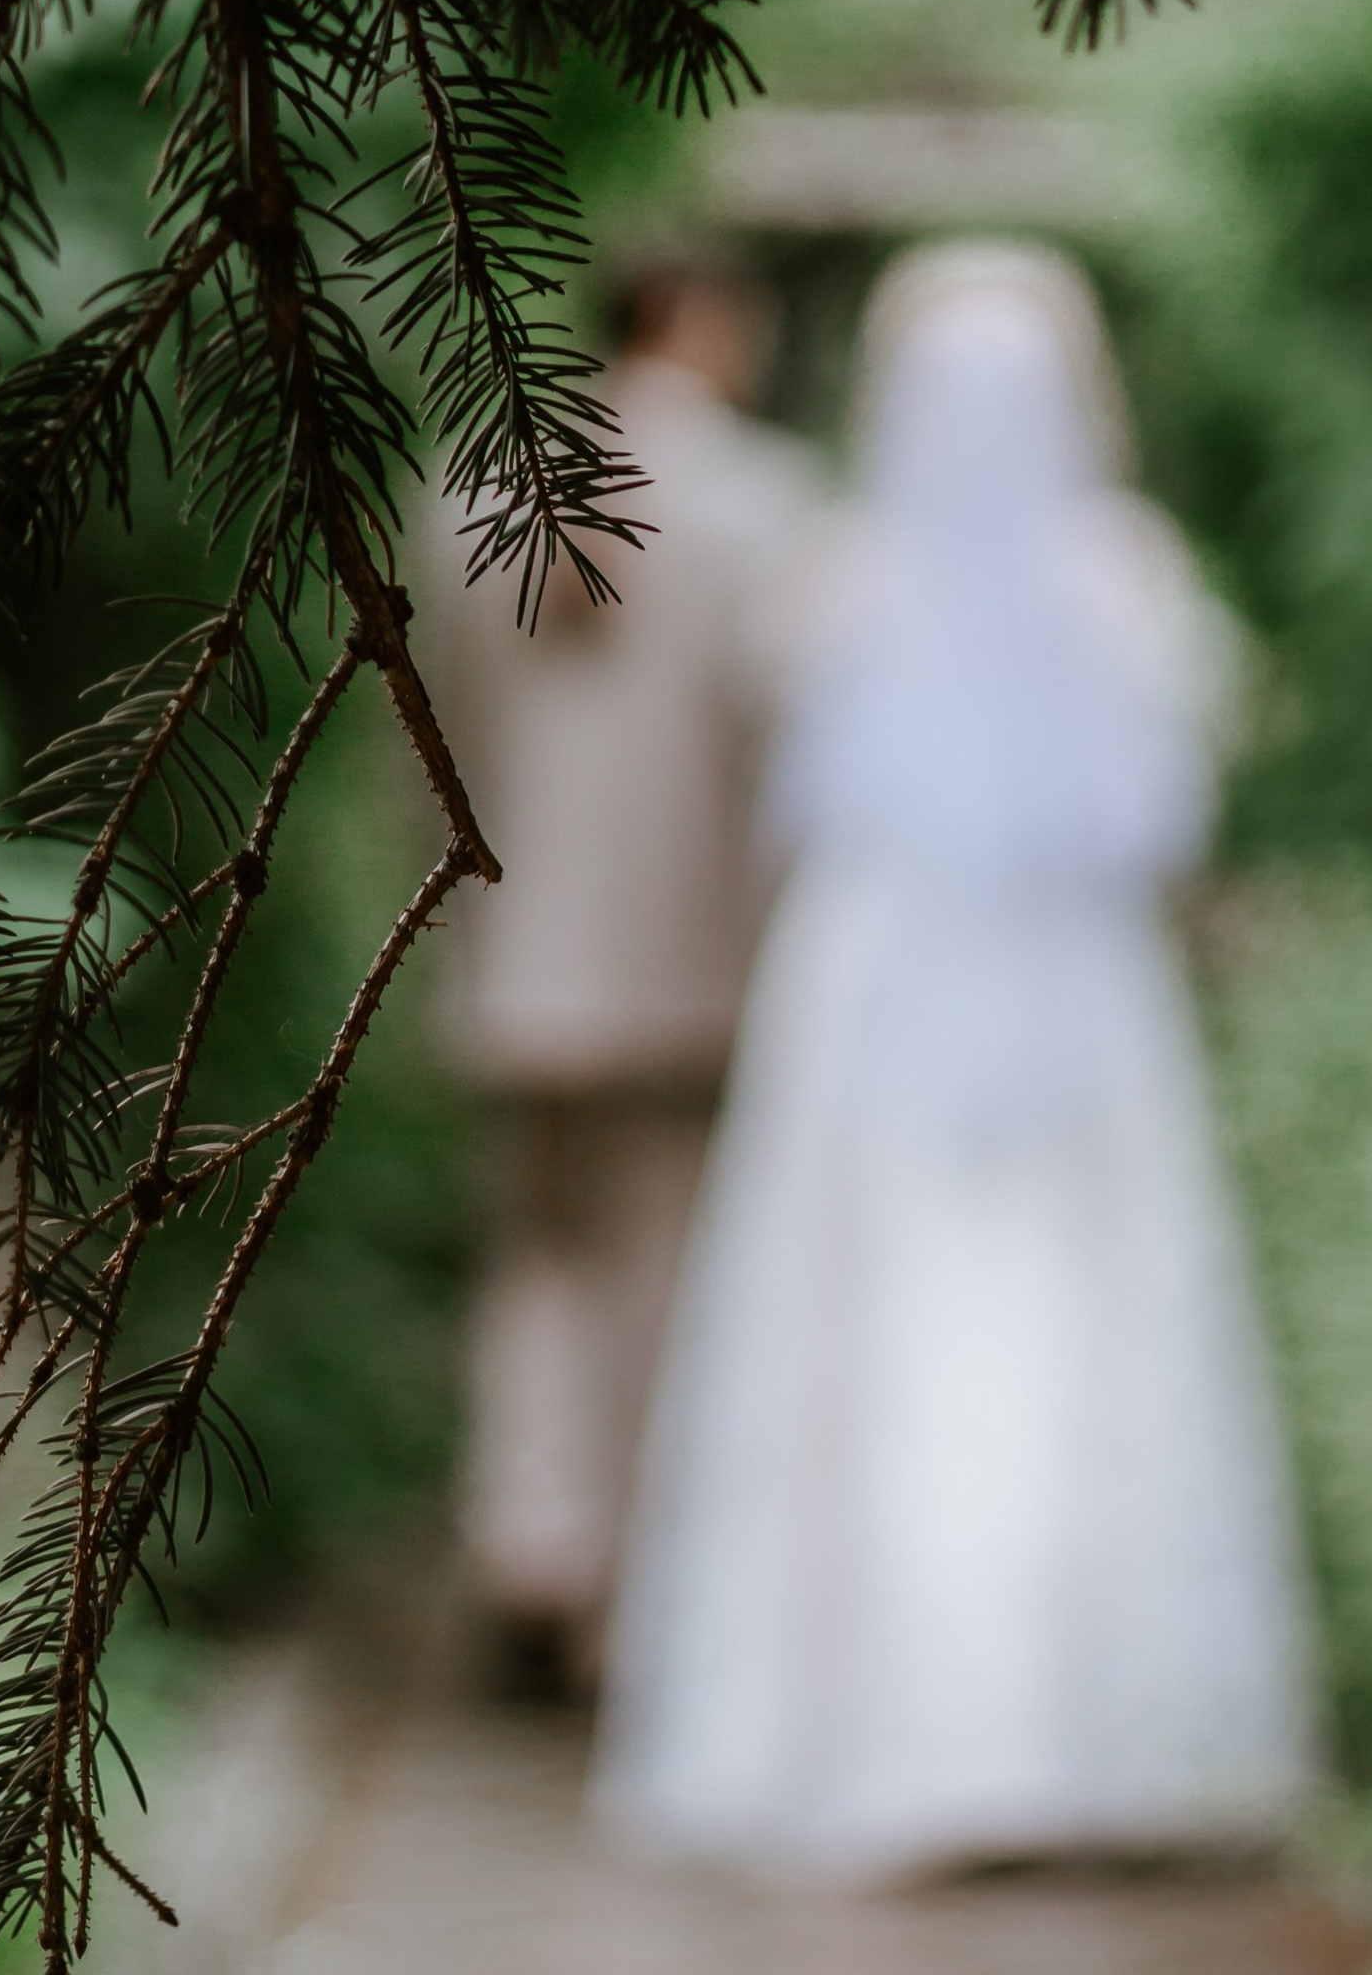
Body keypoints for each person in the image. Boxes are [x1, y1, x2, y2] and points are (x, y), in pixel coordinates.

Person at [595, 240, 1318, 1876]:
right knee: (1071, 1328)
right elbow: (1173, 810)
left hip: (872, 988)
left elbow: (790, 780)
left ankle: (883, 1727)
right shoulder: (1124, 576)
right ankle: (1089, 1738)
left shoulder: (840, 575)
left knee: (885, 1329)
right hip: (1074, 986)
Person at [418, 247, 815, 1688]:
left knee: (535, 1257)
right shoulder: (757, 502)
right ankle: (625, 1596)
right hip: (689, 965)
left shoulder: (473, 491)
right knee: (659, 1267)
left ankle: (529, 1535)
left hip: (518, 959)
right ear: (702, 321)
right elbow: (785, 752)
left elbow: (436, 736)